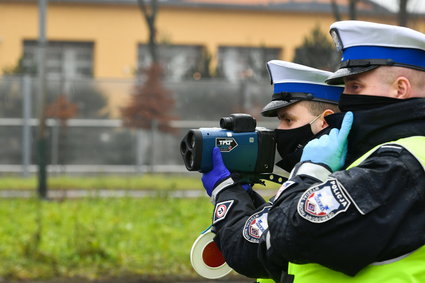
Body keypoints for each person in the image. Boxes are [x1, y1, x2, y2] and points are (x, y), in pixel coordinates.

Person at [203, 21, 425, 283]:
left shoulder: (399, 164)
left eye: (355, 87)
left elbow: (289, 236)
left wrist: (310, 171)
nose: (345, 99)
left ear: (400, 88)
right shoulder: (383, 159)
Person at [201, 60, 343, 282]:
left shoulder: (333, 183)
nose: (279, 131)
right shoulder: (313, 179)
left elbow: (246, 249)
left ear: (323, 122)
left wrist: (225, 192)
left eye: (288, 120)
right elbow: (275, 224)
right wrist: (247, 199)